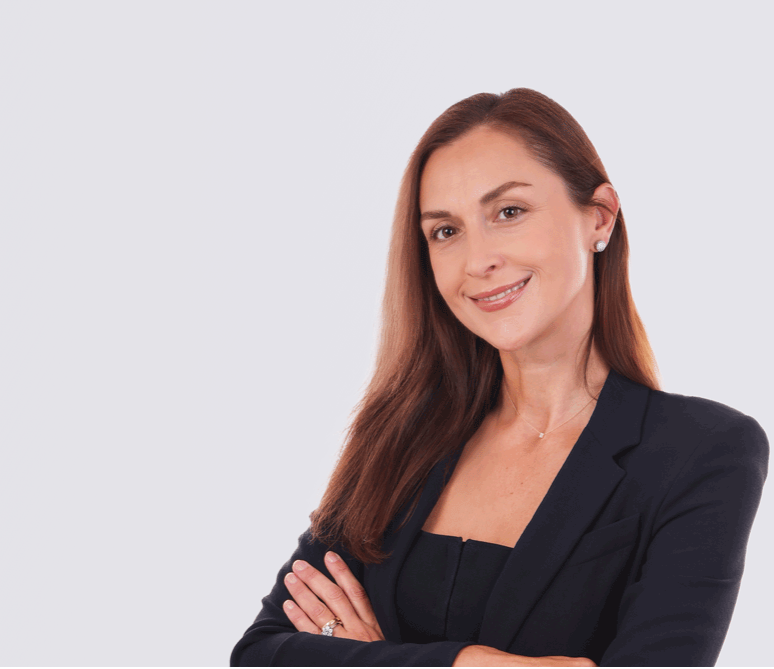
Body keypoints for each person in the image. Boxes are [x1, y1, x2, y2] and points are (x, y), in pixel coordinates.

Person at [230, 88, 769, 667]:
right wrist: (469, 663)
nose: (477, 261)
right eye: (445, 231)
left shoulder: (704, 451)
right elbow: (260, 653)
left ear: (600, 216)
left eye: (509, 212)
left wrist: (374, 656)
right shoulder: (399, 434)